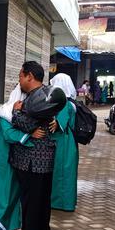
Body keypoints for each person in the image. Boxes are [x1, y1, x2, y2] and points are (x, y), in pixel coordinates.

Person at [6, 61, 63, 230]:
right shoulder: (48, 93)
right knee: (42, 199)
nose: (19, 81)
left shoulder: (34, 98)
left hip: (31, 159)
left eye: (21, 76)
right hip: (45, 157)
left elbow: (28, 123)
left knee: (30, 201)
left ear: (29, 76)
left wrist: (15, 111)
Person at [0, 84, 45, 230]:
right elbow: (8, 134)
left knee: (14, 190)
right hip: (3, 157)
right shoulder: (6, 112)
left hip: (18, 156)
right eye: (23, 98)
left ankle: (11, 223)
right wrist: (30, 135)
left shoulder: (25, 114)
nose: (25, 101)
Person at [50, 73, 79, 212]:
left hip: (63, 143)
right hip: (69, 143)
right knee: (67, 173)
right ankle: (67, 202)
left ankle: (60, 203)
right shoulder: (71, 103)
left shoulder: (64, 104)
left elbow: (56, 125)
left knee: (60, 172)